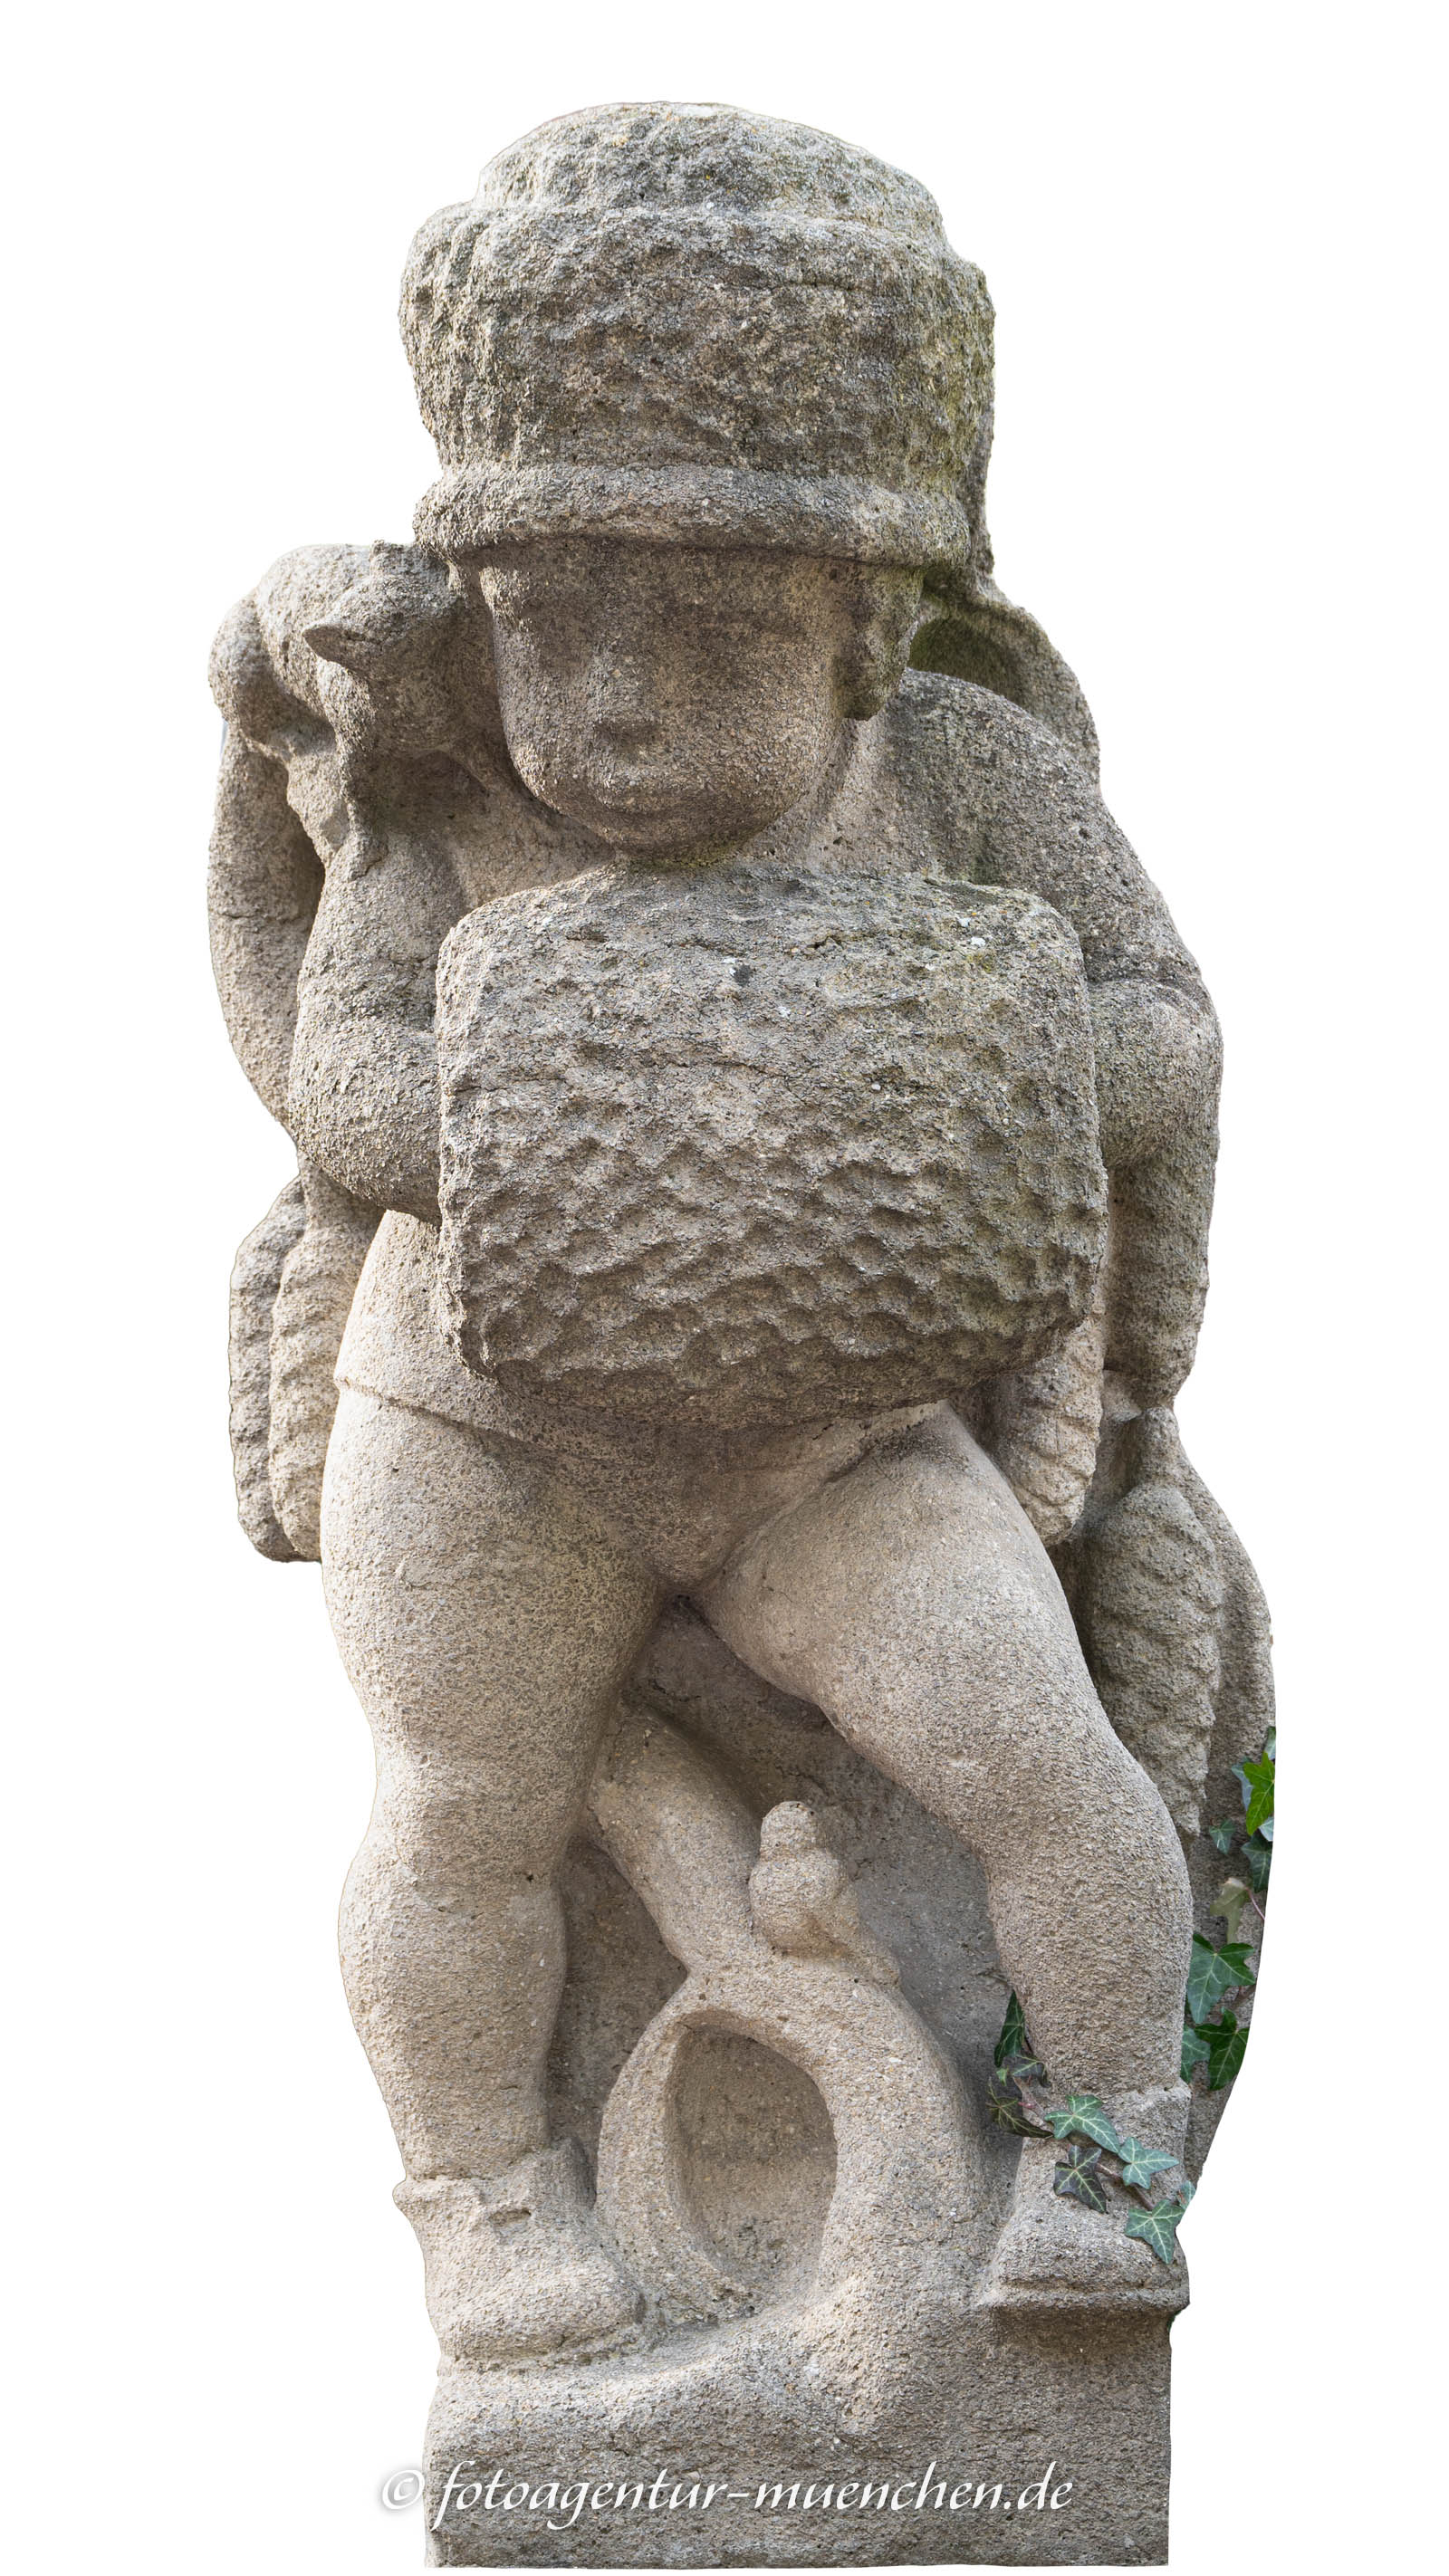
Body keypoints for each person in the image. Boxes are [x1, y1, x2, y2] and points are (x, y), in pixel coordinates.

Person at [213, 106, 1225, 2361]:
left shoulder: (952, 772)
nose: (613, 699)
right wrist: (552, 1128)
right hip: (485, 1427)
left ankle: (1102, 2156)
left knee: (1050, 1768)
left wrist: (969, 1079)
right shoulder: (443, 785)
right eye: (551, 627)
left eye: (704, 632)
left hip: (831, 1437)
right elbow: (341, 1069)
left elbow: (1161, 1018)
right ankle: (486, 2192)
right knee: (455, 1812)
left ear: (865, 633)